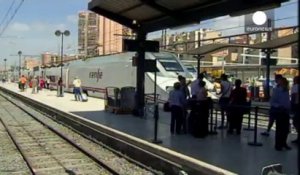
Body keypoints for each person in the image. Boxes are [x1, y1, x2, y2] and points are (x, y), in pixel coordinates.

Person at [270, 77, 291, 151]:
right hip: (279, 111)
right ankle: (278, 145)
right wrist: (279, 106)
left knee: (286, 129)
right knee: (280, 129)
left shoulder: (286, 90)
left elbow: (287, 100)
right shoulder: (276, 90)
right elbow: (272, 102)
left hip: (286, 111)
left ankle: (284, 143)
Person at [291, 76, 299, 144]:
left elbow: (294, 97)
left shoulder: (295, 86)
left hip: (297, 106)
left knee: (295, 121)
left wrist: (292, 106)